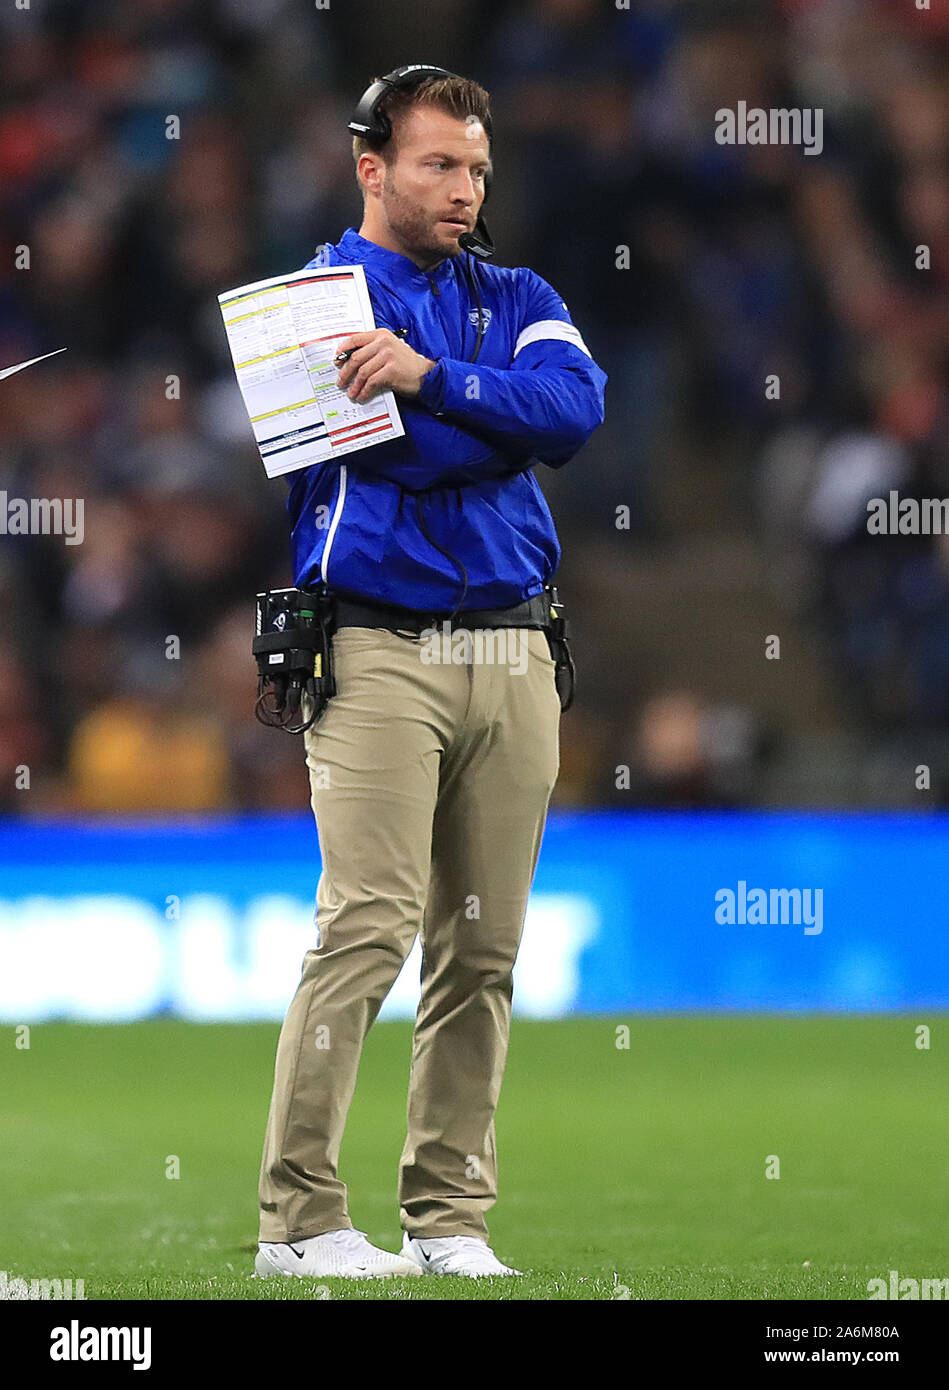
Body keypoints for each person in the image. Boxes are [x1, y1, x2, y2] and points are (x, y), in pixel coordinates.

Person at [255, 64, 607, 1281]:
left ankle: (448, 1219)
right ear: (371, 166)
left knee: (484, 948)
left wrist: (429, 378)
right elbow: (398, 464)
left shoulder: (521, 289)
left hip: (515, 644)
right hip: (374, 647)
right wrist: (482, 415)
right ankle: (297, 1222)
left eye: (476, 169)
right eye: (437, 165)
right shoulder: (308, 305)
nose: (464, 190)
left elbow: (570, 413)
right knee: (366, 928)